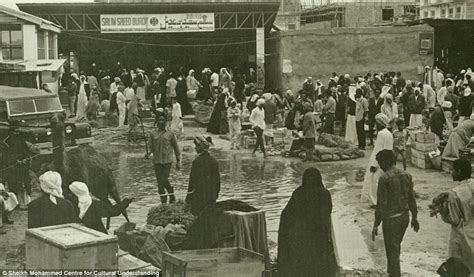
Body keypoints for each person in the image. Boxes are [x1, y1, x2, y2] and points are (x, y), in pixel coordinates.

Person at [277, 167, 338, 277]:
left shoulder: (298, 193)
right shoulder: (324, 194)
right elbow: (326, 215)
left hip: (300, 239)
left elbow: (286, 215)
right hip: (318, 237)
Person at [372, 150, 419, 277]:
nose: (380, 166)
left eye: (380, 163)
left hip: (391, 220)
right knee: (395, 247)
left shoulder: (384, 179)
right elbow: (411, 199)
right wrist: (414, 217)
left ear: (385, 161)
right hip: (404, 217)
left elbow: (381, 204)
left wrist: (376, 224)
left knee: (392, 250)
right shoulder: (406, 175)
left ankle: (394, 274)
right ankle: (392, 273)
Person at [431, 159, 474, 274]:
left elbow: (453, 219)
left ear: (459, 171)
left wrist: (442, 210)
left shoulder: (454, 194)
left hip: (461, 237)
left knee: (459, 268)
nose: (451, 173)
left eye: (453, 170)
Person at [146, 112, 181, 204]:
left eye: (163, 120)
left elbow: (176, 148)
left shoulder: (170, 134)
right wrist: (148, 153)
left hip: (167, 161)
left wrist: (178, 161)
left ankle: (171, 193)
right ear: (156, 122)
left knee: (164, 180)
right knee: (160, 184)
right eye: (159, 120)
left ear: (165, 122)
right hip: (157, 161)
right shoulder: (152, 134)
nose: (161, 122)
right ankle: (163, 202)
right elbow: (150, 147)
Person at [361, 113, 394, 206]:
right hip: (387, 159)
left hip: (380, 159)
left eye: (377, 123)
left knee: (375, 181)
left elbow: (378, 150)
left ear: (381, 123)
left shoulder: (381, 134)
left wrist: (374, 164)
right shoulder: (389, 133)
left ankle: (376, 202)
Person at [185, 136, 220, 216]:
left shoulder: (196, 162)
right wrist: (215, 195)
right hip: (211, 197)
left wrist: (188, 198)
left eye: (196, 146)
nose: (195, 148)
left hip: (199, 196)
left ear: (201, 147)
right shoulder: (214, 161)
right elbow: (217, 181)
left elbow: (192, 182)